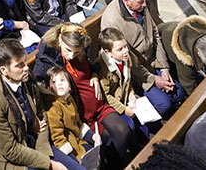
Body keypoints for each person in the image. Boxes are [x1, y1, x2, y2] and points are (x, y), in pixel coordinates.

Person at [33, 23, 140, 167]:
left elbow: (89, 67)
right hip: (81, 113)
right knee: (107, 140)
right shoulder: (48, 59)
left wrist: (94, 75)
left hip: (99, 105)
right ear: (59, 40)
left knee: (123, 131)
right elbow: (43, 88)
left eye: (76, 52)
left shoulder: (82, 49)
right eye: (68, 50)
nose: (71, 56)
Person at [0, 38, 78, 170]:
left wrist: (44, 153)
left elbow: (41, 114)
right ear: (3, 70)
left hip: (36, 145)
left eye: (25, 62)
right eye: (19, 65)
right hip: (13, 161)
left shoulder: (26, 77)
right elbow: (10, 150)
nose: (26, 68)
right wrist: (48, 164)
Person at [101, 0, 186, 117]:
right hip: (134, 74)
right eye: (140, 2)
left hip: (153, 63)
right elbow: (127, 61)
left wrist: (163, 67)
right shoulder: (112, 20)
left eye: (144, 0)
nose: (145, 4)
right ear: (127, 0)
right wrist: (153, 80)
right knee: (165, 105)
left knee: (178, 94)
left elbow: (155, 34)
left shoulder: (140, 6)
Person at [157, 16, 206, 96]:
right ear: (198, 54)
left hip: (171, 31)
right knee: (180, 92)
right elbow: (188, 86)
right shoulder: (184, 56)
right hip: (160, 44)